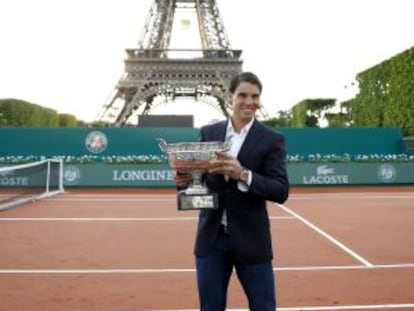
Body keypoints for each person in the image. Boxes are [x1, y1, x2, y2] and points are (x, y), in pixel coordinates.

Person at [174, 71, 289, 311]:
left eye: (255, 96)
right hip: (211, 240)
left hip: (252, 239)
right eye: (243, 95)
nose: (249, 102)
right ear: (230, 96)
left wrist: (243, 174)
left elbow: (280, 190)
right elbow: (200, 181)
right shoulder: (209, 133)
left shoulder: (272, 139)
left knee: (264, 307)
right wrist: (184, 179)